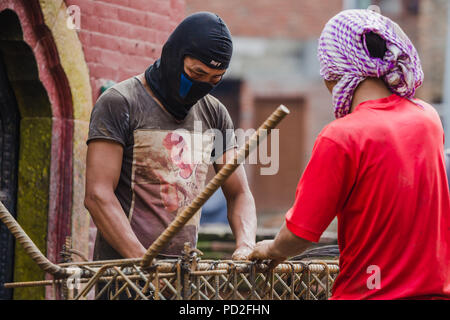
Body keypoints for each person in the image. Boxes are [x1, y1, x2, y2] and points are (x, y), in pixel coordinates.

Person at [249, 9, 450, 300]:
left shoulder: (341, 136)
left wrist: (270, 249)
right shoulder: (428, 118)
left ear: (334, 71)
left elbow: (301, 233)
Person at [84, 12, 257, 266]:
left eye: (214, 80)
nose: (203, 86)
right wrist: (144, 263)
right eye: (196, 74)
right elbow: (98, 195)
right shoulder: (120, 103)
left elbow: (239, 193)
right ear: (174, 57)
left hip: (182, 276)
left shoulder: (214, 114)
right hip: (123, 277)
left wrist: (245, 246)